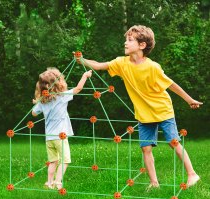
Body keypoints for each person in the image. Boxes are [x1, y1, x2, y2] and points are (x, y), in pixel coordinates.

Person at [76, 25, 202, 189]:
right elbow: (99, 65)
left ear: (142, 45)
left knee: (173, 142)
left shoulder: (152, 67)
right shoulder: (121, 63)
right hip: (143, 114)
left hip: (162, 110)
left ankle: (192, 174)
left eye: (130, 40)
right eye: (125, 40)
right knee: (146, 148)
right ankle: (154, 183)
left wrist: (189, 99)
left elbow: (171, 84)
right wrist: (82, 61)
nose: (125, 43)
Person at [32, 67, 92, 189]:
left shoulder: (42, 101)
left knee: (53, 161)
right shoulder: (62, 96)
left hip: (49, 138)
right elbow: (78, 88)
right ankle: (58, 182)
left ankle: (49, 182)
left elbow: (34, 113)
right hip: (60, 136)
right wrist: (85, 76)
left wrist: (37, 101)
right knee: (65, 160)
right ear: (57, 83)